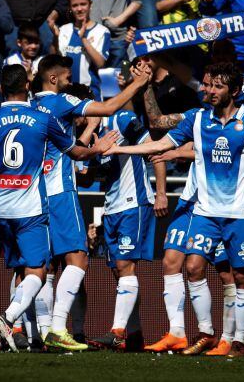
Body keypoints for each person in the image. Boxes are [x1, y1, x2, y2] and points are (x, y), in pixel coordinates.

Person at [0, 64, 118, 352]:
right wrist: (96, 149)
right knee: (37, 272)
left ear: (0, 89)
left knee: (20, 271)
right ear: (27, 87)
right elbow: (75, 151)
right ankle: (11, 318)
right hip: (29, 209)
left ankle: (28, 335)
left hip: (0, 209)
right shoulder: (41, 119)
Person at [102, 62, 244, 357]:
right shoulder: (197, 120)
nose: (208, 90)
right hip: (204, 211)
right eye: (208, 85)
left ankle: (237, 341)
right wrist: (118, 149)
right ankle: (204, 333)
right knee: (193, 267)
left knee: (240, 276)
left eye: (217, 86)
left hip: (239, 212)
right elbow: (157, 144)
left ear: (233, 91)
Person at [30, 55, 154, 351]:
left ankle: (41, 332)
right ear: (53, 79)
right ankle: (57, 328)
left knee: (43, 267)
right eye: (68, 78)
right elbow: (109, 106)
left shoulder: (30, 107)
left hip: (34, 195)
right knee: (78, 259)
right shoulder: (61, 102)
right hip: (61, 191)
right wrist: (138, 83)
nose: (70, 83)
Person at [88, 97, 170, 351]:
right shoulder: (90, 137)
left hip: (134, 203)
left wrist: (161, 192)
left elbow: (154, 149)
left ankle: (117, 331)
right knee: (121, 272)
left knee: (125, 266)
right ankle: (134, 336)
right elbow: (97, 175)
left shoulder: (121, 120)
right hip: (112, 208)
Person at [52, 0, 111, 100]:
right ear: (70, 7)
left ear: (90, 4)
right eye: (75, 5)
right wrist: (55, 38)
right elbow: (54, 57)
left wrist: (83, 39)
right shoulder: (64, 29)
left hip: (90, 93)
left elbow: (100, 63)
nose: (79, 9)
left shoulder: (102, 31)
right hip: (65, 93)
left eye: (83, 4)